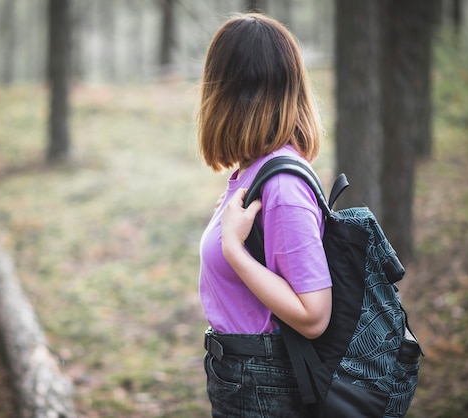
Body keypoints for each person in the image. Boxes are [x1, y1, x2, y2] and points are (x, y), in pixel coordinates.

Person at [197, 13, 332, 417]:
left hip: (262, 384)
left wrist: (234, 250)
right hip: (242, 375)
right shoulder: (252, 171)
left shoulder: (282, 188)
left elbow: (314, 315)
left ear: (230, 92)